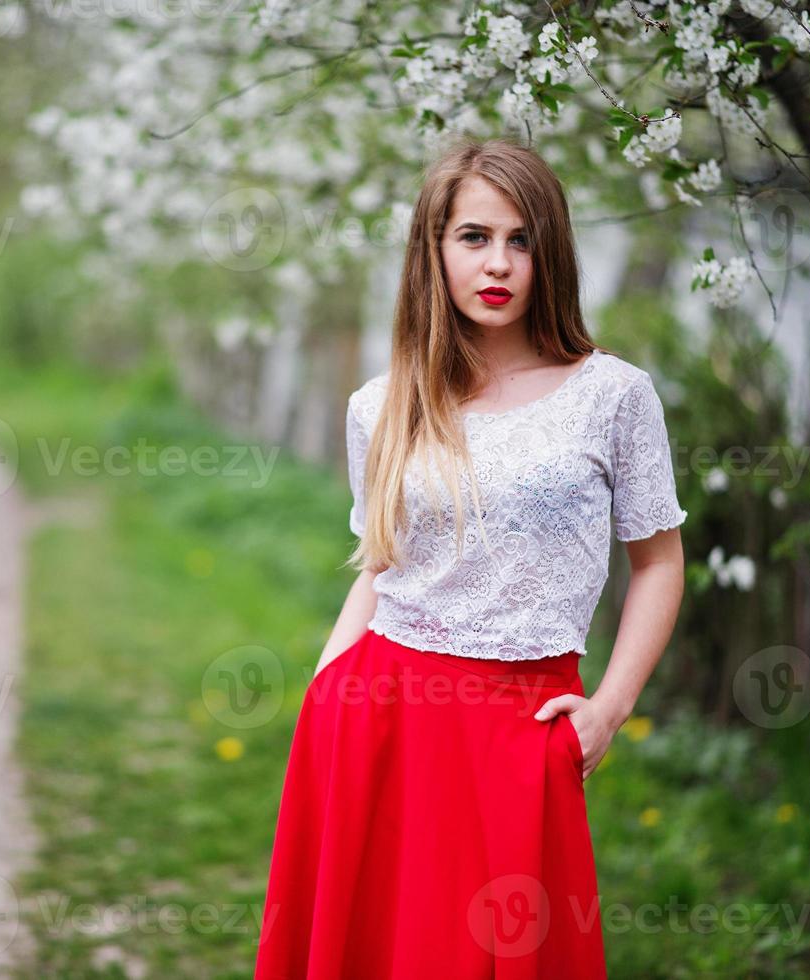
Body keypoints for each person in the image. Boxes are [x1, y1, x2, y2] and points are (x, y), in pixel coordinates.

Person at [252, 136, 688, 979]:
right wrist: (323, 694)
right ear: (433, 249)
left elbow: (659, 562)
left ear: (550, 252)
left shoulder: (614, 396)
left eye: (520, 240)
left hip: (526, 723)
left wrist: (608, 708)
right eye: (473, 237)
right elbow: (379, 567)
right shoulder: (381, 404)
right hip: (377, 717)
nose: (498, 264)